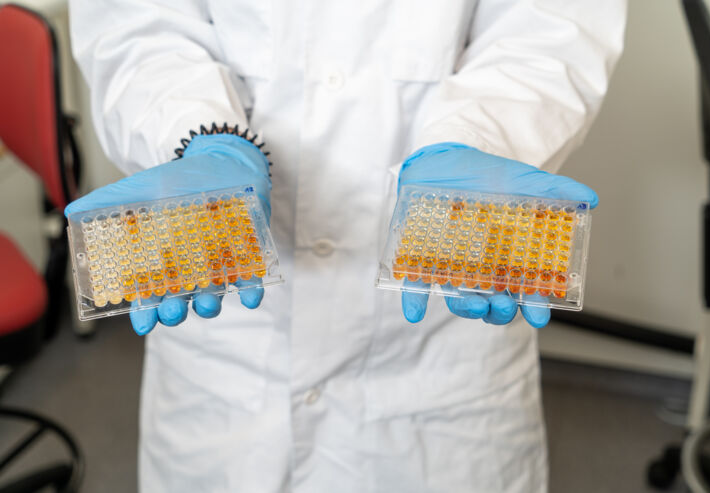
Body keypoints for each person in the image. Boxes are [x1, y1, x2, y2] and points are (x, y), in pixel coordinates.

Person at [67, 1, 626, 491]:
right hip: (230, 341)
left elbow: (553, 30)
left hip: (437, 350)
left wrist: (479, 139)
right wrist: (199, 137)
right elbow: (135, 26)